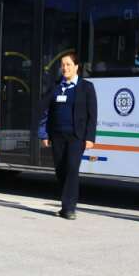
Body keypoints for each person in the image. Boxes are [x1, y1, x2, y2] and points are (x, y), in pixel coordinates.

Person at [37, 51, 97, 219]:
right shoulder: (56, 87)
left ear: (76, 67)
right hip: (57, 136)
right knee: (60, 170)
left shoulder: (87, 87)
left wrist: (90, 137)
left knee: (72, 169)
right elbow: (43, 111)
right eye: (63, 65)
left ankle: (69, 208)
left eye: (68, 64)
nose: (65, 68)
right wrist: (43, 134)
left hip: (76, 137)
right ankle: (65, 206)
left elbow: (93, 115)